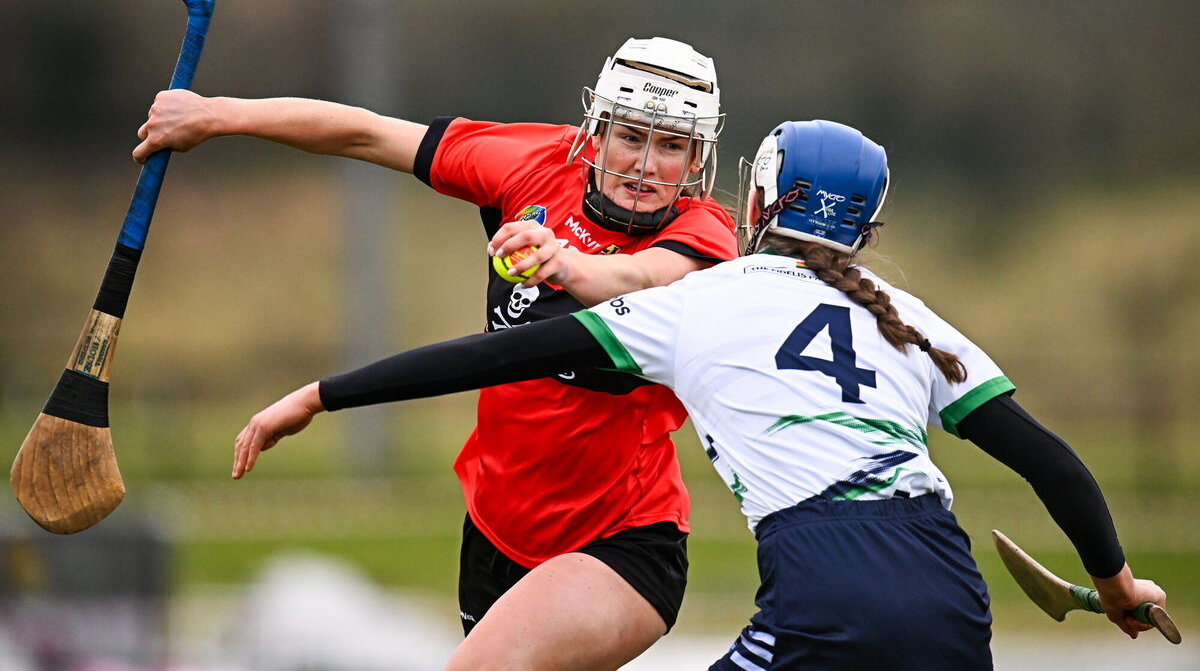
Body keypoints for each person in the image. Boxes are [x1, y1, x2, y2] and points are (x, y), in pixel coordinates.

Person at [230, 119, 1167, 670]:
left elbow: (496, 356)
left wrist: (319, 394)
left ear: (759, 204)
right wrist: (1117, 581)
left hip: (823, 581)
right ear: (869, 231)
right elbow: (1052, 460)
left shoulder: (700, 303)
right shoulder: (916, 322)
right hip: (950, 592)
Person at [135, 37, 738, 669]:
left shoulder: (701, 235)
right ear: (598, 131)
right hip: (495, 529)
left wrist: (566, 262)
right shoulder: (535, 163)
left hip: (623, 541)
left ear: (699, 156)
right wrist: (216, 116)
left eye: (672, 145)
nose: (646, 164)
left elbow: (639, 281)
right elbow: (366, 135)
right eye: (632, 137)